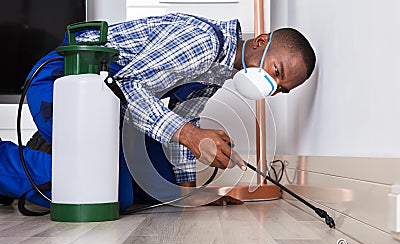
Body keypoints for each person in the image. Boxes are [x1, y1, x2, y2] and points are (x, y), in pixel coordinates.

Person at [0, 13, 316, 211]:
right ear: (261, 42)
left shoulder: (218, 70)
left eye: (280, 88)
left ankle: (52, 152)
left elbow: (185, 120)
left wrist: (190, 193)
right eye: (276, 70)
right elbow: (127, 84)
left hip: (108, 102)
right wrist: (192, 135)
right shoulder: (203, 44)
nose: (270, 86)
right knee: (108, 189)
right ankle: (11, 166)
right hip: (67, 79)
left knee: (160, 181)